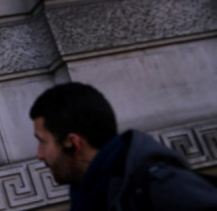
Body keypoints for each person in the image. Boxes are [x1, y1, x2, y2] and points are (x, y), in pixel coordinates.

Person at [29, 82, 217, 210]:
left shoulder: (165, 188)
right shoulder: (90, 193)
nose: (40, 155)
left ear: (73, 143)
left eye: (42, 142)